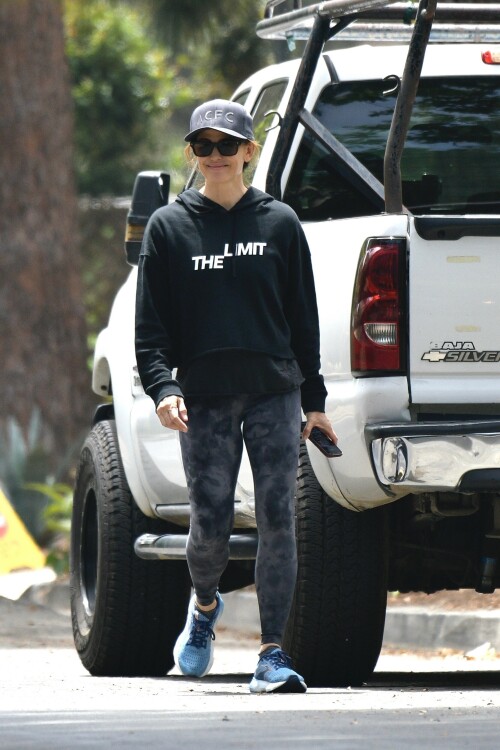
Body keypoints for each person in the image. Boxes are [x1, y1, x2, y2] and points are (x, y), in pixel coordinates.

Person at [135, 98, 337, 694]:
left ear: (250, 150)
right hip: (205, 398)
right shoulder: (168, 227)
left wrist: (315, 399)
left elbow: (304, 317)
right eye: (204, 146)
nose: (216, 156)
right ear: (193, 155)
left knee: (279, 517)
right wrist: (163, 388)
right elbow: (151, 328)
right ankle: (203, 610)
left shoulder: (279, 222)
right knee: (212, 526)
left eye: (228, 145)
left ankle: (272, 654)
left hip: (275, 391)